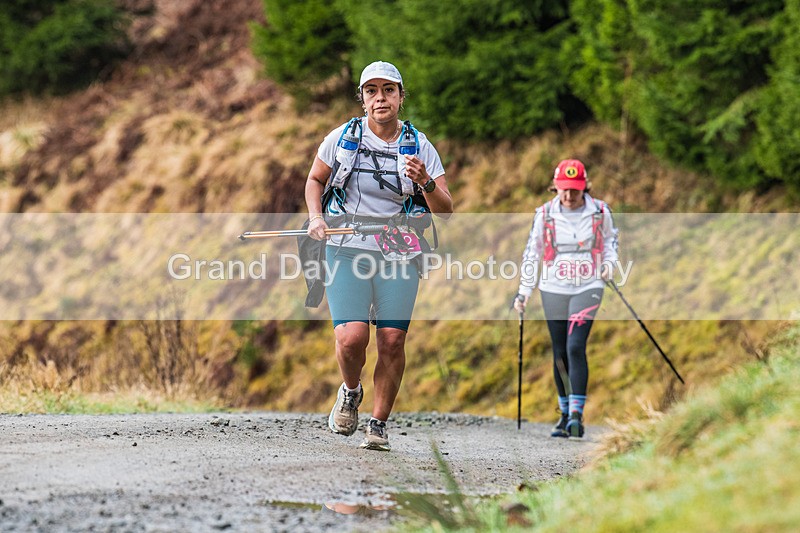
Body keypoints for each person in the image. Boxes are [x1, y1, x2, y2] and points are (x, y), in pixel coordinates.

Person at [305, 61, 453, 451]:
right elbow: (315, 179)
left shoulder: (420, 146)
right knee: (352, 338)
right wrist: (315, 218)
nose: (380, 98)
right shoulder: (341, 138)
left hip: (398, 250)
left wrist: (424, 181)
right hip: (345, 246)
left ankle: (378, 424)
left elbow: (446, 208)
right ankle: (351, 392)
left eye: (389, 90)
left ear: (401, 97)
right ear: (363, 98)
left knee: (392, 338)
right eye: (372, 91)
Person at [514, 159, 618, 438]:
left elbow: (610, 242)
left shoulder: (599, 211)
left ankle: (577, 415)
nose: (570, 196)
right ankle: (563, 414)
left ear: (585, 187)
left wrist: (610, 264)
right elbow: (532, 253)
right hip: (553, 287)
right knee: (559, 351)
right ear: (555, 188)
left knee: (575, 346)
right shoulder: (545, 214)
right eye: (564, 190)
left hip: (589, 285)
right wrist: (524, 291)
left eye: (575, 190)